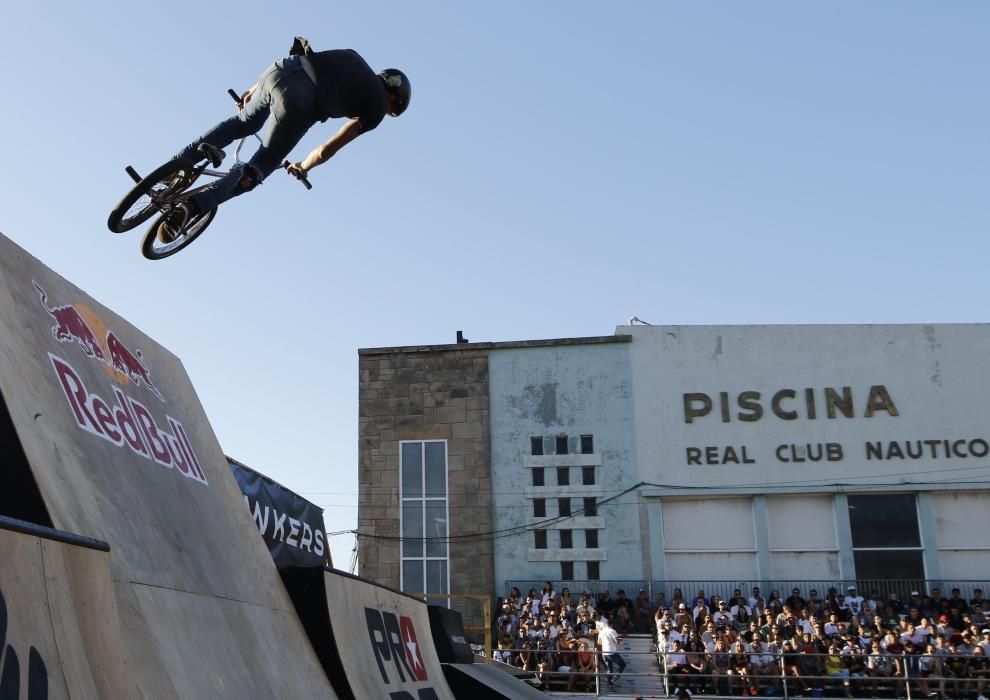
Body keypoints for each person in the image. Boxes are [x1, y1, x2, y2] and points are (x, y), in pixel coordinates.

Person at [156, 37, 410, 242]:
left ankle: (174, 169)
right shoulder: (376, 109)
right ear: (393, 100)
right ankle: (193, 206)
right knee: (259, 166)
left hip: (279, 70)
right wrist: (303, 167)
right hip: (299, 104)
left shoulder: (353, 56)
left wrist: (252, 90)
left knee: (242, 123)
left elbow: (301, 61)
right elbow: (327, 148)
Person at [599, 617, 626, 687]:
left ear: (606, 625)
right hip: (611, 652)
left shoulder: (601, 632)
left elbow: (599, 642)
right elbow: (617, 641)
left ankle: (610, 684)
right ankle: (615, 678)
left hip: (604, 653)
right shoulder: (612, 631)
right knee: (622, 665)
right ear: (611, 625)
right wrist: (621, 640)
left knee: (609, 669)